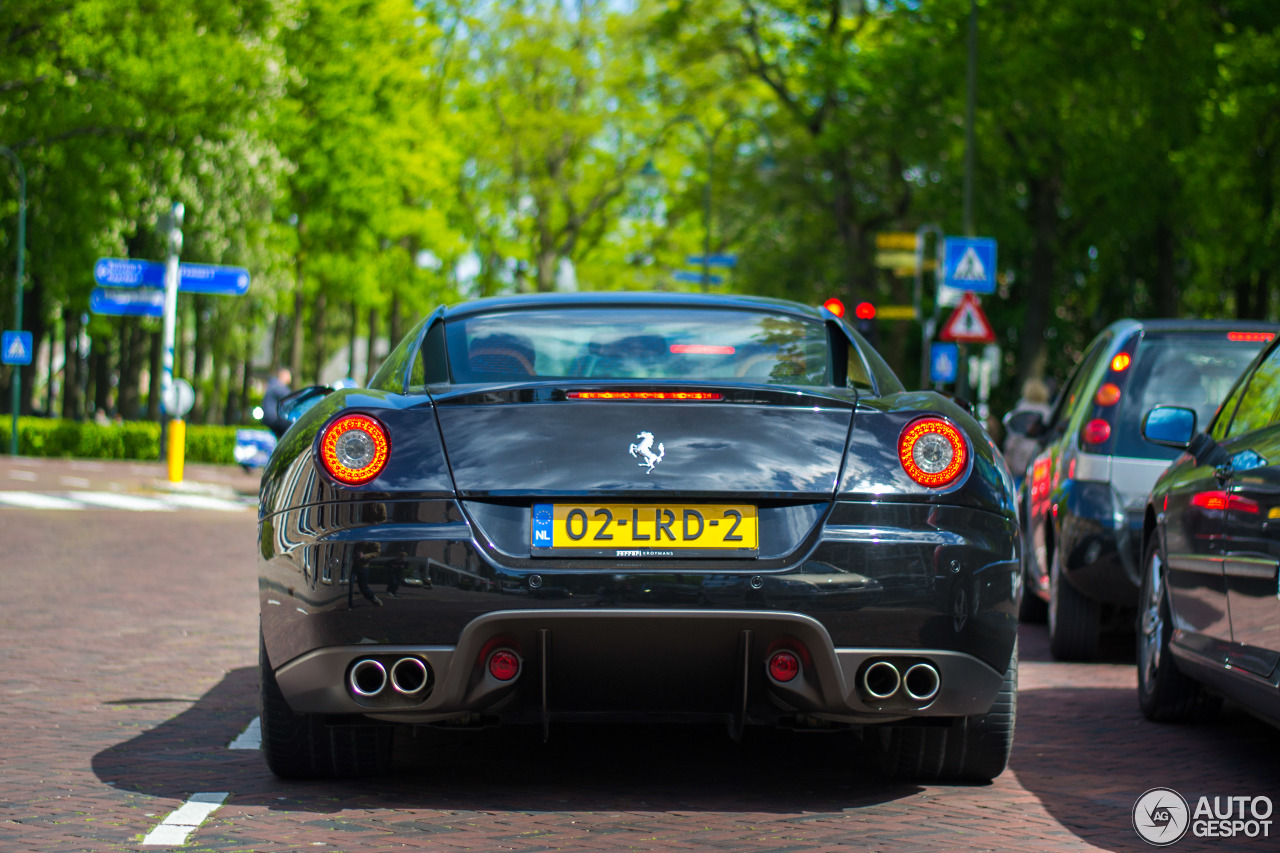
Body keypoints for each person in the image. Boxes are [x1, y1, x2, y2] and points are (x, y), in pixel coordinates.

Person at [1002, 377, 1053, 487]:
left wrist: (1008, 452)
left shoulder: (1021, 408)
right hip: (1038, 454)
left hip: (1021, 455)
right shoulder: (1048, 410)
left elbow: (1014, 436)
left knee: (1018, 485)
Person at [261, 367, 293, 438]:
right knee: (294, 425)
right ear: (283, 376)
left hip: (269, 418)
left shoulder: (272, 384)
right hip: (273, 418)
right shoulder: (278, 386)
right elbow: (290, 397)